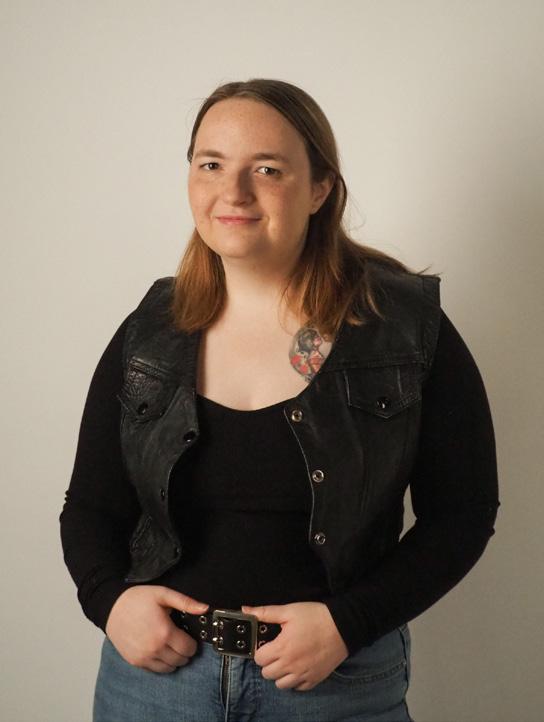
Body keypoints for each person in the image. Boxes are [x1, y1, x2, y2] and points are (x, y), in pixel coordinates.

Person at [59, 78, 499, 722]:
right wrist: (109, 601)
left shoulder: (405, 327)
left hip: (337, 685)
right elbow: (90, 507)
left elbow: (463, 514)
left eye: (267, 169)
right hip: (155, 685)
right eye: (211, 165)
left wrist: (349, 623)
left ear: (320, 188)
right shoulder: (149, 329)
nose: (233, 192)